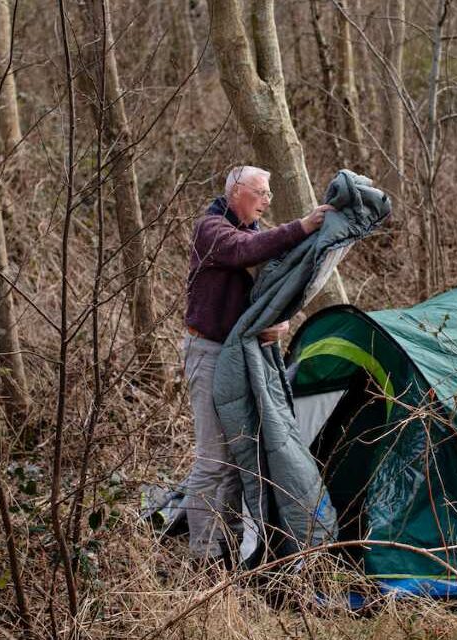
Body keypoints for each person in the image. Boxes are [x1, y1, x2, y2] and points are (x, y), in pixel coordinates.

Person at [180, 165, 332, 564]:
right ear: (235, 192)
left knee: (235, 460)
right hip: (209, 352)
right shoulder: (211, 229)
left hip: (239, 355)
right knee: (213, 459)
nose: (267, 201)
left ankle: (225, 549)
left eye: (269, 195)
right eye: (261, 193)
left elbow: (267, 288)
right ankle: (201, 559)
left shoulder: (253, 233)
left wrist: (279, 322)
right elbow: (245, 251)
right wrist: (303, 225)